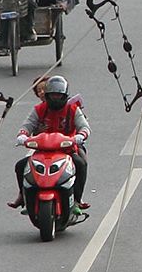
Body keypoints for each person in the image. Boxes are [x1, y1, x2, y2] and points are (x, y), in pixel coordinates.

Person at [11, 75, 91, 210]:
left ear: (65, 95)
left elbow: (84, 127)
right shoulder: (39, 109)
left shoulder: (73, 109)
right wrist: (22, 135)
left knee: (81, 164)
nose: (55, 98)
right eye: (52, 95)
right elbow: (27, 126)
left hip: (67, 150)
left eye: (58, 96)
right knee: (20, 166)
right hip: (42, 151)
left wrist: (80, 136)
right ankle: (23, 196)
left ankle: (77, 199)